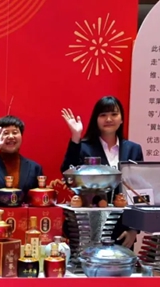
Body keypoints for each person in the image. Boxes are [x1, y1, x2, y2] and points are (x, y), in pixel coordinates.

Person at [60, 95, 144, 248]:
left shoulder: (133, 149)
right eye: (103, 115)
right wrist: (76, 136)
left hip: (122, 229)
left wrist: (134, 229)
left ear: (122, 119)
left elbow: (138, 191)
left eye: (114, 114)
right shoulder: (84, 147)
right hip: (87, 227)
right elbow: (67, 173)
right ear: (96, 119)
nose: (109, 119)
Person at [0, 115, 44, 213]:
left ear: (21, 136)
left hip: (24, 219)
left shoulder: (35, 168)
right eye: (6, 133)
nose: (11, 137)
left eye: (15, 132)